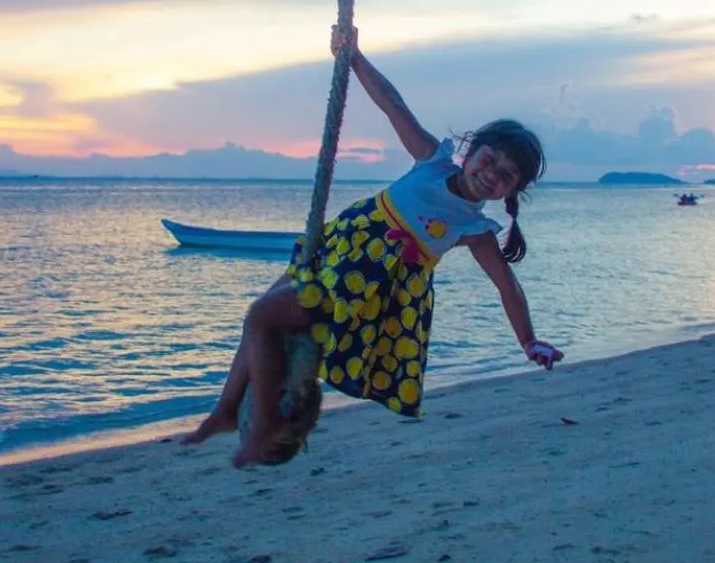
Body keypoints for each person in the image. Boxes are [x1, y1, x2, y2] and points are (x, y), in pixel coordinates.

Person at [181, 24, 563, 467]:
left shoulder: (474, 227)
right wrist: (355, 57)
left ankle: (263, 422)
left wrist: (529, 340)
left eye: (507, 175)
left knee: (271, 321)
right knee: (264, 315)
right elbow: (393, 105)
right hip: (338, 247)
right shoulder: (432, 160)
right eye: (489, 158)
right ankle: (229, 409)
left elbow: (506, 285)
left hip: (366, 284)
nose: (492, 173)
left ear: (513, 190)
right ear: (471, 149)